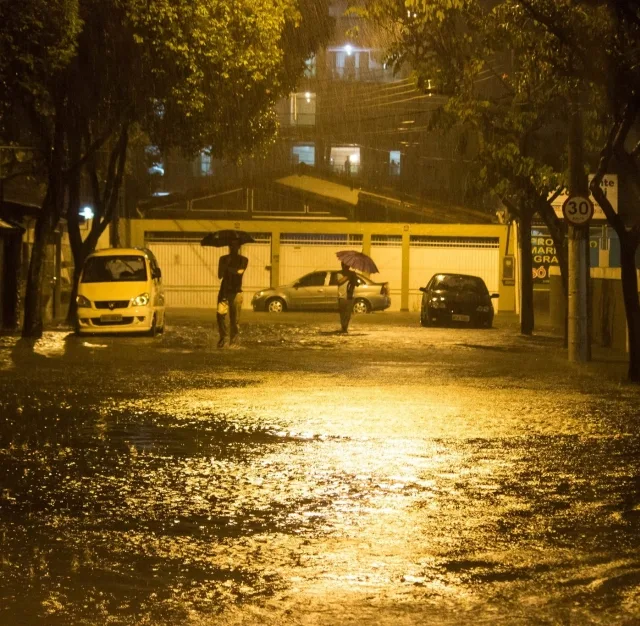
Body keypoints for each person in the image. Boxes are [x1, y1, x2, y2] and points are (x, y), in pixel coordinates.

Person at [217, 241, 248, 348]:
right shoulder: (223, 259)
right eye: (231, 245)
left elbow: (240, 272)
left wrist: (228, 269)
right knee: (220, 315)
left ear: (239, 247)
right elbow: (219, 275)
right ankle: (223, 339)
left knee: (234, 319)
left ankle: (234, 341)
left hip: (236, 292)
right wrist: (226, 265)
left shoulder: (243, 259)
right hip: (224, 291)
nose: (233, 247)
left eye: (235, 245)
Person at [337, 261, 358, 333]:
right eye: (344, 265)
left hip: (350, 295)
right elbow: (339, 281)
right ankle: (343, 327)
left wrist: (354, 277)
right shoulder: (339, 273)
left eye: (347, 265)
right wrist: (348, 276)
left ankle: (345, 327)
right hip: (342, 295)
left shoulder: (353, 273)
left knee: (348, 313)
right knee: (342, 313)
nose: (346, 266)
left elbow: (356, 283)